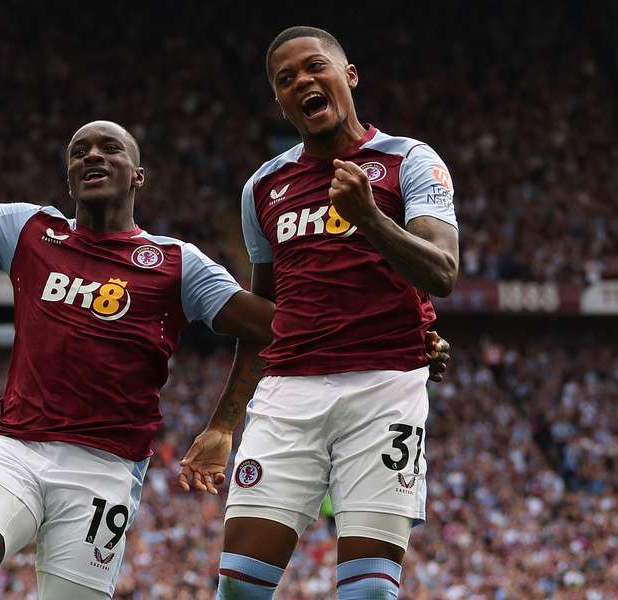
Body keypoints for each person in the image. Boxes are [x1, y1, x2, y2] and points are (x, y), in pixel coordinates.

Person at [0, 22, 450, 599]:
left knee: (361, 584)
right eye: (79, 152)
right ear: (68, 176)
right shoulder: (28, 232)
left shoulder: (178, 265)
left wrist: (403, 329)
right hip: (17, 447)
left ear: (139, 176)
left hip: (105, 470)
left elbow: (273, 317)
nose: (92, 157)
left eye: (108, 149)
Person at [178, 26, 459, 600]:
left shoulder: (408, 160)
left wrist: (371, 218)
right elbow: (266, 316)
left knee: (369, 593)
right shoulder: (264, 186)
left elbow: (444, 272)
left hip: (385, 387)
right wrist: (224, 422)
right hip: (288, 396)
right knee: (238, 590)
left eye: (314, 67)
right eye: (285, 79)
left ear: (348, 75)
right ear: (279, 100)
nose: (302, 81)